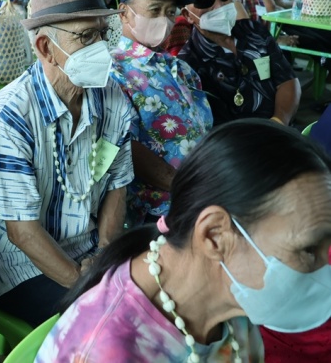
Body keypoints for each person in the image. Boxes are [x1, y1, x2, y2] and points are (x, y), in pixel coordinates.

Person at [36, 118, 331, 361]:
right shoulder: (103, 352)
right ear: (214, 236)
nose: (325, 267)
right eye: (308, 250)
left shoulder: (235, 300)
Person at [0, 0, 134, 327]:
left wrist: (103, 256)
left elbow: (117, 187)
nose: (101, 47)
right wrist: (84, 283)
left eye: (103, 34)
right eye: (86, 37)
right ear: (45, 48)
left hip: (87, 248)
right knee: (104, 325)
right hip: (15, 262)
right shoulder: (11, 115)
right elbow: (21, 233)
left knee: (151, 300)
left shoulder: (111, 98)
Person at [110, 0, 212, 225]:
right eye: (154, 10)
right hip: (159, 210)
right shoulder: (115, 71)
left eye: (170, 12)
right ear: (124, 13)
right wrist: (186, 186)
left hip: (200, 192)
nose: (164, 21)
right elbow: (126, 147)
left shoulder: (179, 67)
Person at [178, 0, 299, 125]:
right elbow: (207, 123)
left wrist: (279, 121)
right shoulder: (188, 64)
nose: (219, 4)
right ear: (187, 15)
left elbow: (288, 80)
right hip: (236, 139)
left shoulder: (255, 31)